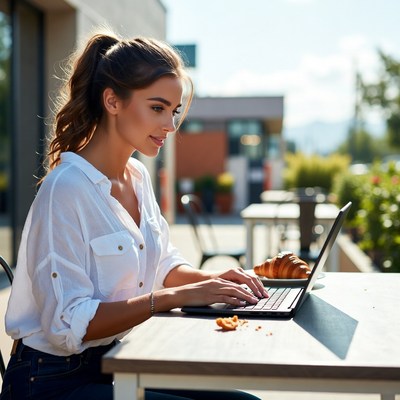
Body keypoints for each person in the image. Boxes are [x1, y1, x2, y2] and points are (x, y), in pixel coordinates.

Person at [0, 30, 268, 400]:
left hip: (117, 363)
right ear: (112, 101)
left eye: (173, 111)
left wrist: (216, 281)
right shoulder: (65, 190)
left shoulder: (138, 177)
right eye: (157, 108)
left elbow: (162, 268)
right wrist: (178, 296)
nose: (170, 126)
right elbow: (68, 323)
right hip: (50, 382)